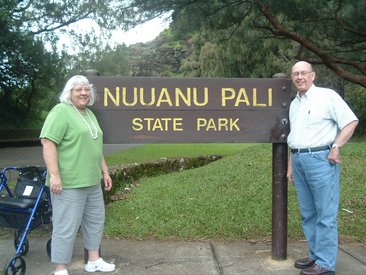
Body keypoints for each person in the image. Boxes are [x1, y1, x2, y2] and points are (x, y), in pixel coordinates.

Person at [287, 61, 358, 275]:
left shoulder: (327, 96)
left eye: (304, 73)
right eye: (296, 74)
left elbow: (350, 121)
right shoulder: (294, 104)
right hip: (298, 160)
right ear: (292, 78)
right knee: (308, 213)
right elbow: (295, 138)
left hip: (320, 159)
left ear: (313, 75)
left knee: (325, 214)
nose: (300, 77)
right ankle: (316, 255)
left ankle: (326, 265)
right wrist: (291, 165)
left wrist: (336, 147)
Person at [40, 75, 115, 275]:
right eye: (78, 90)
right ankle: (60, 269)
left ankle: (94, 261)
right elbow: (48, 143)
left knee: (95, 222)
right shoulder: (61, 112)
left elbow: (95, 147)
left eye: (86, 89)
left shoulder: (89, 114)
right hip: (68, 183)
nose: (83, 93)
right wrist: (54, 176)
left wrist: (105, 171)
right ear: (69, 93)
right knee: (65, 227)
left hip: (91, 181)